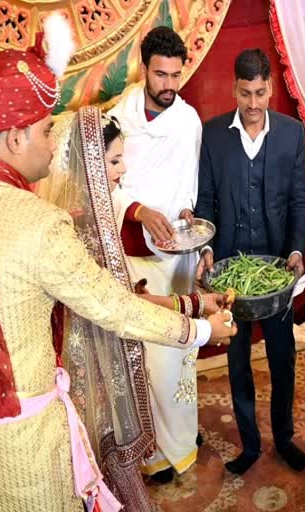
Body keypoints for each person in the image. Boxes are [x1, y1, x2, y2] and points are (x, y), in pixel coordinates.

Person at [0, 17, 235, 511]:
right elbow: (117, 309)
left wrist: (187, 298)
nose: (53, 142)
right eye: (43, 130)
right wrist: (201, 331)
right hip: (26, 451)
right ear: (15, 139)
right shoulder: (39, 225)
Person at [37, 108, 229, 510]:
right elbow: (123, 309)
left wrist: (195, 304)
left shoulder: (98, 219)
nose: (123, 171)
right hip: (83, 368)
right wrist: (200, 323)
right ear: (87, 162)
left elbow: (127, 301)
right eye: (113, 160)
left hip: (106, 352)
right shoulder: (69, 228)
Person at [195, 48, 305, 475]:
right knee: (237, 359)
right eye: (246, 94)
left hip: (277, 273)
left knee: (283, 358)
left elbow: (300, 199)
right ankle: (249, 445)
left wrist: (296, 250)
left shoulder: (291, 133)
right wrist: (206, 248)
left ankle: (284, 438)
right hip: (230, 274)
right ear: (234, 90)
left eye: (261, 93)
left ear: (271, 88)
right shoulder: (213, 135)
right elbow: (206, 200)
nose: (255, 104)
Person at [107, 25, 203, 483]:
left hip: (178, 254)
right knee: (143, 359)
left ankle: (180, 443)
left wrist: (184, 211)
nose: (169, 86)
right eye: (160, 75)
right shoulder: (118, 119)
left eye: (176, 76)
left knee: (176, 355)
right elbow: (105, 186)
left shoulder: (189, 122)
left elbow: (189, 186)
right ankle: (151, 452)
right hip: (131, 251)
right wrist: (140, 211)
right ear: (143, 69)